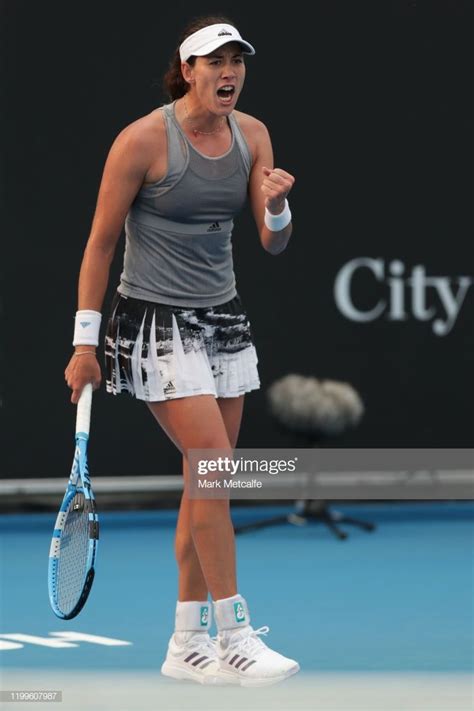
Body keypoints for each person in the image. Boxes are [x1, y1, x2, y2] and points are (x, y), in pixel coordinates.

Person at [65, 15, 298, 687]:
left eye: (238, 61)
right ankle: (234, 631)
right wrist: (85, 345)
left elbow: (270, 241)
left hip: (222, 319)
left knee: (206, 484)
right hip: (153, 324)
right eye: (215, 61)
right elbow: (101, 244)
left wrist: (279, 209)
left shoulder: (252, 135)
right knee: (216, 470)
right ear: (187, 69)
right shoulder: (142, 141)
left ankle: (183, 640)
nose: (230, 71)